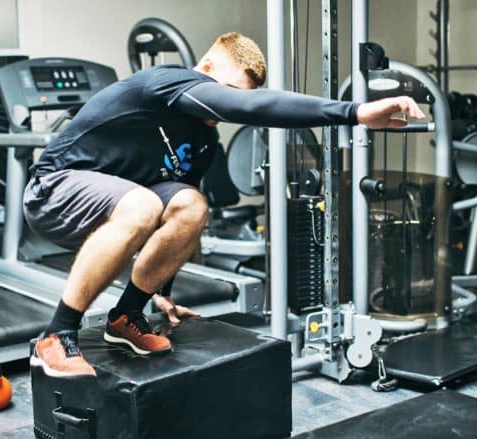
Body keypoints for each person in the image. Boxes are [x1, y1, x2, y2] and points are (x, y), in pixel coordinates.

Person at [26, 32, 426, 377]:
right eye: (227, 92)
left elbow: (175, 216)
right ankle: (56, 335)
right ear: (206, 67)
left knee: (193, 204)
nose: (229, 105)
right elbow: (253, 108)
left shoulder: (203, 143)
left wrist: (160, 290)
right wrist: (355, 112)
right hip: (54, 189)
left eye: (239, 96)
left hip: (121, 201)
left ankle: (124, 317)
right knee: (144, 205)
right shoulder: (167, 81)